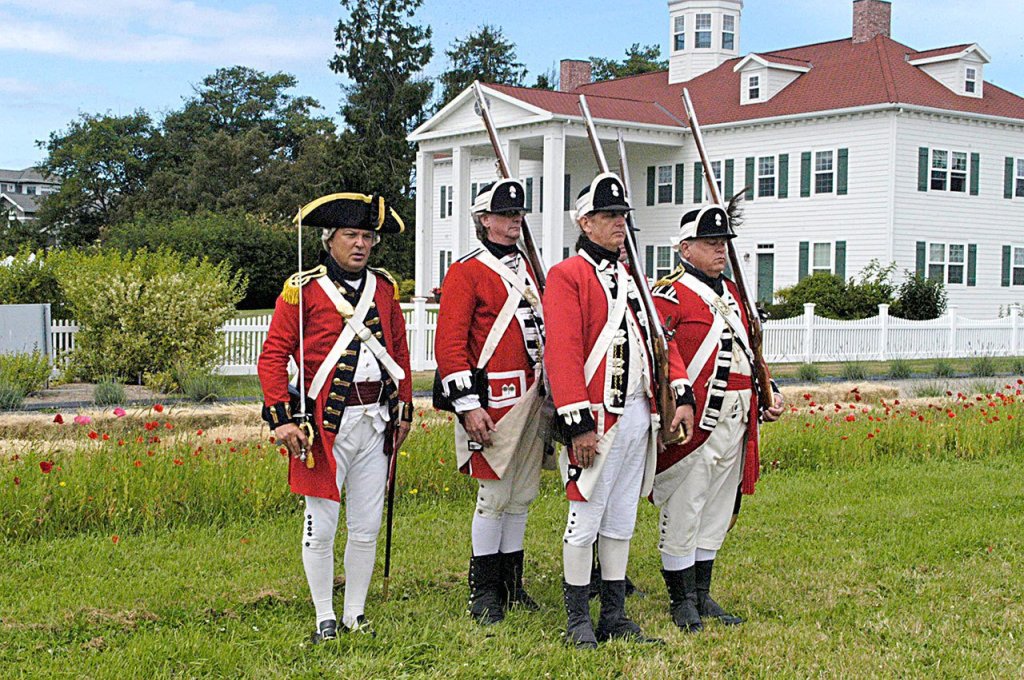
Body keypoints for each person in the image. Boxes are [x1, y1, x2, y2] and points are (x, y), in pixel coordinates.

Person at [544, 172, 695, 649]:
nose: (619, 223)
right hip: (596, 418)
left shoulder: (634, 276)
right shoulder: (567, 276)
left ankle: (614, 614)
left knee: (622, 516)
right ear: (585, 222)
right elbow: (563, 352)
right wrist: (577, 422)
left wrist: (682, 392)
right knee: (584, 518)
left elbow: (659, 341)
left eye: (622, 216)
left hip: (638, 413)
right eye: (609, 216)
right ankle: (576, 619)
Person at [257, 193, 413, 644]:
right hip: (323, 426)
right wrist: (281, 419)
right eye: (351, 235)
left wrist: (403, 410)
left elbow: (398, 353)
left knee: (366, 525)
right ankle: (324, 614)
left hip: (375, 421)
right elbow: (272, 357)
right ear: (329, 239)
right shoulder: (303, 289)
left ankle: (355, 613)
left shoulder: (383, 289)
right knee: (321, 525)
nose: (360, 244)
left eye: (367, 236)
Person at [651, 204, 784, 633]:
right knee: (686, 505)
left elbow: (751, 353)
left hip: (738, 418)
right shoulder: (669, 294)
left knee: (717, 509)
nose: (720, 251)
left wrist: (770, 390)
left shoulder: (734, 295)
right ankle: (681, 600)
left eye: (723, 243)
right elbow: (660, 355)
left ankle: (702, 594)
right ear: (685, 248)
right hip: (697, 419)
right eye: (711, 244)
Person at [434, 179, 549, 625]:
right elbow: (450, 345)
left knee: (522, 495)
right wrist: (467, 405)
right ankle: (483, 593)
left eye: (517, 215)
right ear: (483, 220)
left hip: (533, 394)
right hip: (492, 400)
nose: (512, 223)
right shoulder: (466, 270)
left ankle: (510, 585)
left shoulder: (533, 270)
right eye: (504, 216)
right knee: (494, 495)